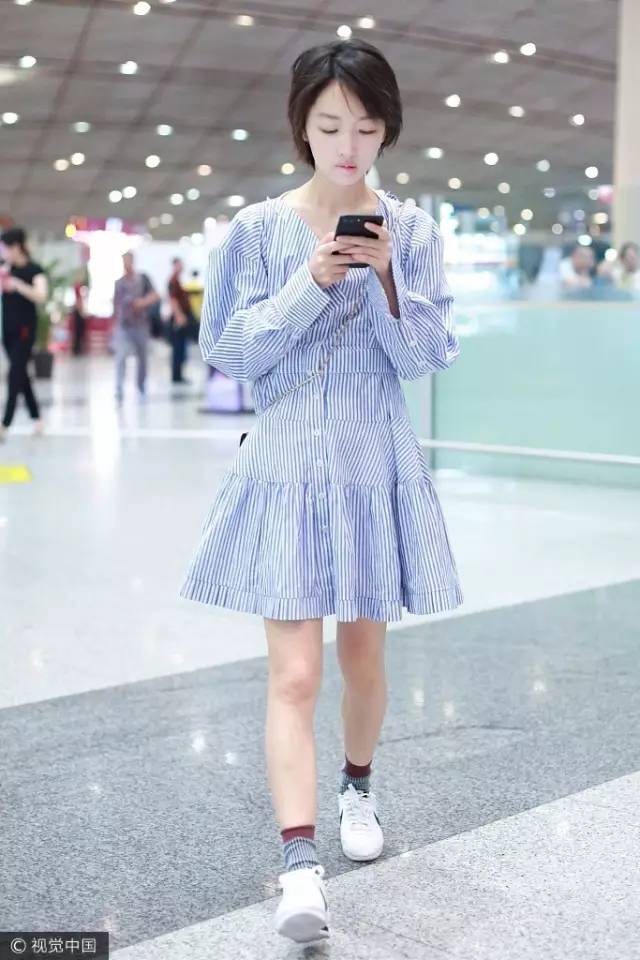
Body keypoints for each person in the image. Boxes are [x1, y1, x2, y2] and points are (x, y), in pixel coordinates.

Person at [180, 39, 462, 944]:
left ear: (387, 131)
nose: (349, 145)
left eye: (367, 128)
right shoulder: (257, 231)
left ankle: (358, 787)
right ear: (302, 125)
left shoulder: (413, 232)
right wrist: (309, 283)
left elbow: (427, 357)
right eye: (331, 125)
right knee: (295, 673)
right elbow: (229, 353)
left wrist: (387, 278)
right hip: (290, 465)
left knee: (363, 659)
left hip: (373, 463)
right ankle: (299, 866)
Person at [0, 227, 47, 441]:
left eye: (5, 249)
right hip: (8, 331)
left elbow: (41, 295)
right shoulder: (5, 269)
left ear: (16, 247)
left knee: (14, 374)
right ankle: (37, 418)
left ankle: (5, 423)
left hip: (25, 331)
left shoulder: (33, 270)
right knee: (21, 375)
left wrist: (17, 285)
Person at [112, 251, 159, 402]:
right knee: (120, 356)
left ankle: (141, 386)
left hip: (141, 325)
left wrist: (142, 302)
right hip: (124, 326)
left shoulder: (143, 279)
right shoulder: (119, 283)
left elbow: (155, 295)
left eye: (128, 261)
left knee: (142, 358)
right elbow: (116, 305)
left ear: (132, 262)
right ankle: (119, 388)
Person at [167, 257, 194, 384]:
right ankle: (176, 376)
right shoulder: (173, 281)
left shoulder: (178, 280)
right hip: (179, 319)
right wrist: (179, 316)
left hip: (182, 317)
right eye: (179, 264)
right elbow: (173, 300)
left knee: (181, 348)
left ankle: (179, 375)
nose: (181, 267)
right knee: (178, 349)